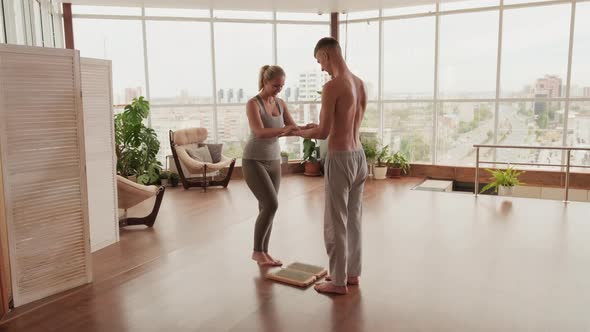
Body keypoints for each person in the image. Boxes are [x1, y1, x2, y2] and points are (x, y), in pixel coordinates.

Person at [294, 37, 367, 295]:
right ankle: (352, 274)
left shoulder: (332, 86)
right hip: (359, 157)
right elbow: (345, 123)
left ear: (326, 55)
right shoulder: (359, 84)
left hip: (340, 158)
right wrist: (311, 128)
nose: (321, 68)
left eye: (319, 62)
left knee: (335, 222)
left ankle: (337, 282)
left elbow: (324, 132)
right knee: (354, 219)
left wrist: (298, 132)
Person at [244, 65, 316, 267]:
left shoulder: (281, 103)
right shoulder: (253, 104)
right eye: (276, 85)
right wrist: (286, 129)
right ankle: (257, 252)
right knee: (271, 204)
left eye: (282, 86)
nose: (279, 89)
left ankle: (264, 253)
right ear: (265, 82)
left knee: (266, 208)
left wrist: (305, 128)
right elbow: (259, 132)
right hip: (254, 160)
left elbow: (291, 129)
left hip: (274, 160)